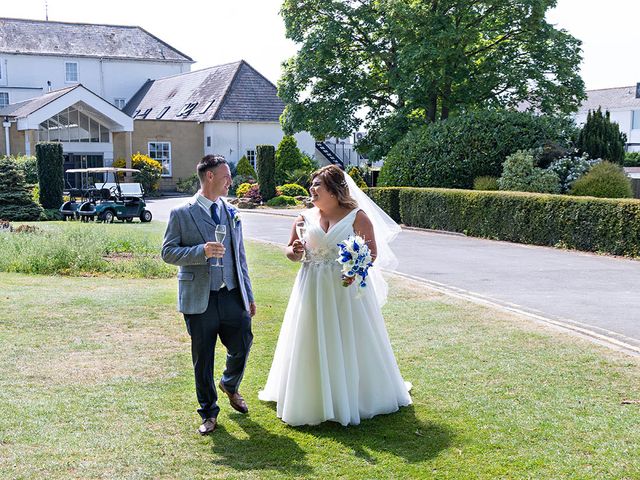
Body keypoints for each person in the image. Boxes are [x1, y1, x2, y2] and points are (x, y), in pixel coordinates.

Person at [259, 165, 411, 426]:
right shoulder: (303, 218)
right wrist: (294, 252)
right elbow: (289, 251)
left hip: (345, 289)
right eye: (312, 185)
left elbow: (371, 253)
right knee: (310, 335)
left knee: (349, 337)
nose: (312, 190)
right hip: (311, 287)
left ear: (334, 189)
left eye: (318, 185)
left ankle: (355, 394)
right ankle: (311, 395)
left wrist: (356, 268)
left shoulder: (357, 217)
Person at [162, 154, 256, 435]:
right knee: (203, 358)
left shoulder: (231, 212)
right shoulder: (181, 213)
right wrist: (200, 252)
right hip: (198, 297)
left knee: (243, 341)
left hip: (231, 293)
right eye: (226, 176)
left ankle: (229, 383)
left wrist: (248, 294)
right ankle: (209, 412)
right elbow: (167, 252)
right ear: (210, 177)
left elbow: (240, 257)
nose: (231, 181)